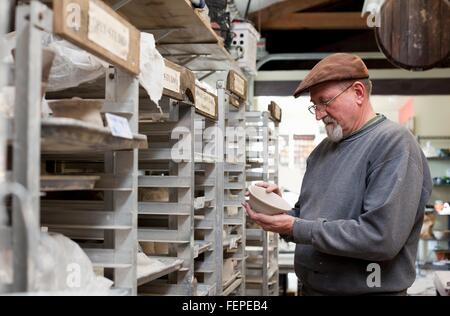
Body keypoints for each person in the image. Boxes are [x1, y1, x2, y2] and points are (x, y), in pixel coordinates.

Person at [242, 53, 432, 296]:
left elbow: (380, 238)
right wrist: (279, 211)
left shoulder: (393, 145)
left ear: (359, 93)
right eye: (315, 105)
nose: (319, 114)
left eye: (325, 101)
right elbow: (309, 218)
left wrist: (295, 226)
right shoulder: (323, 150)